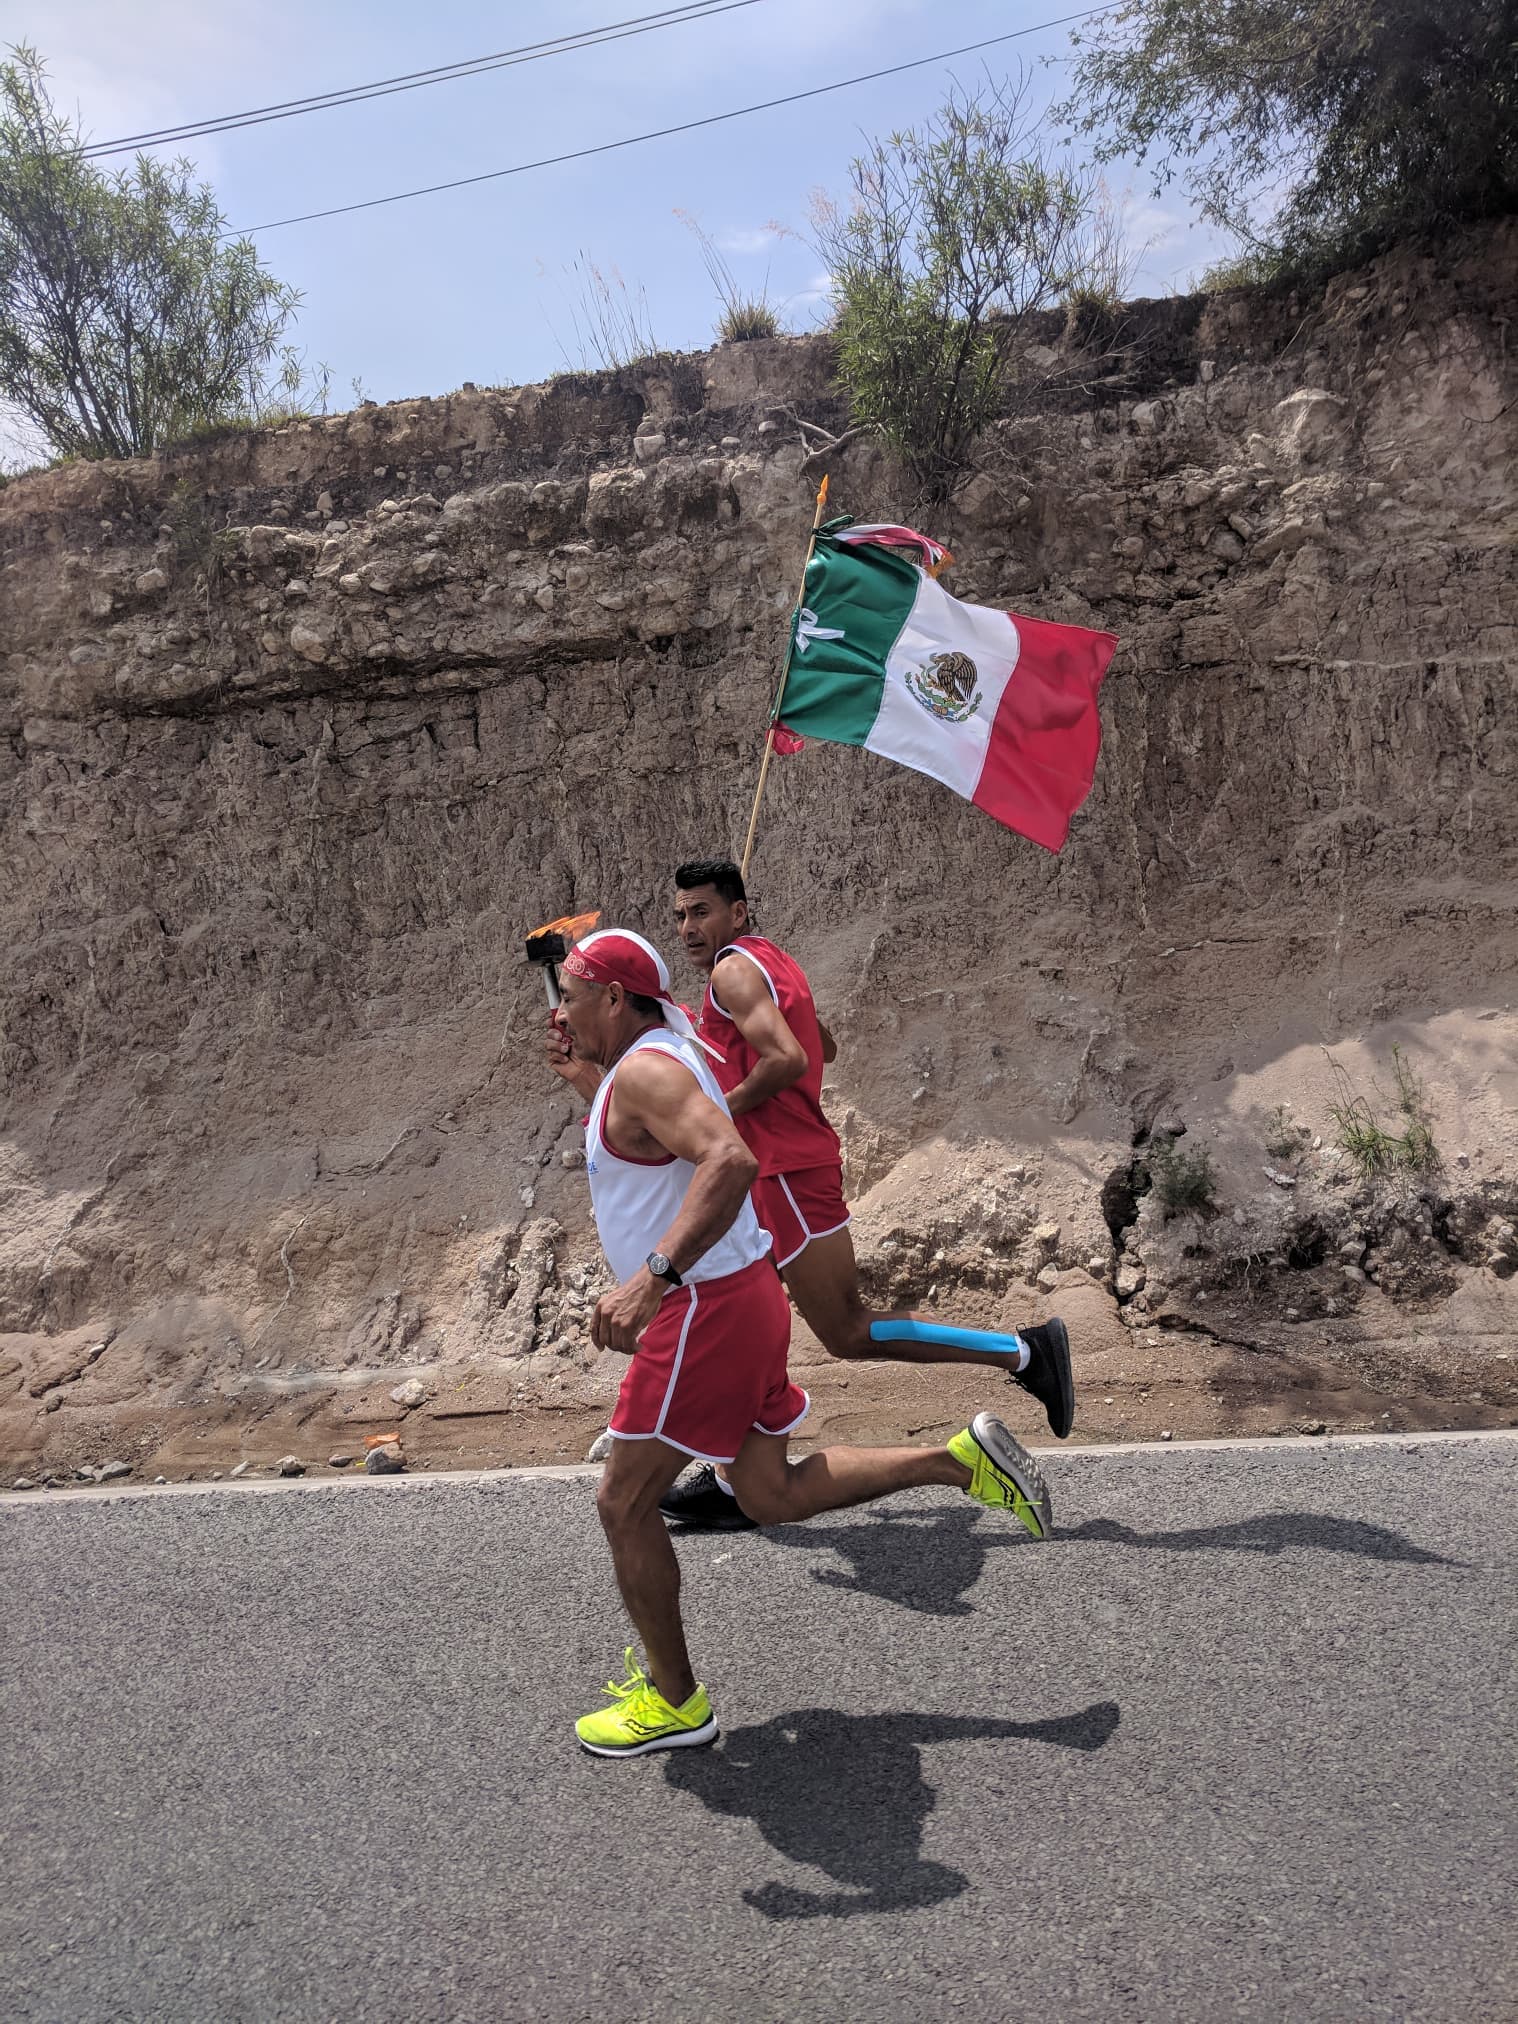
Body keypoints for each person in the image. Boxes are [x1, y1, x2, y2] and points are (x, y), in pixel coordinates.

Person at [552, 927, 1054, 1758]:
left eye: (570, 996)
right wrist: (587, 1071)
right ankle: (959, 1461)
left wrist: (652, 1277)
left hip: (703, 1307)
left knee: (625, 1503)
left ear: (611, 997)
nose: (559, 1013)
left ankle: (676, 1704)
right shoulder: (663, 1045)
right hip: (745, 1295)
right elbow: (661, 1124)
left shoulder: (647, 1068)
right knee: (766, 1495)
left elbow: (728, 1159)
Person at [648, 858, 1073, 1531]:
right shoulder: (768, 963)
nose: (687, 926)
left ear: (738, 912)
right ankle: (735, 1476)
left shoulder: (732, 971)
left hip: (782, 1174)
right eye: (678, 914)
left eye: (701, 911)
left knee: (841, 1328)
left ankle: (1024, 1354)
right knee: (742, 1315)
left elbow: (788, 1057)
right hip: (790, 1169)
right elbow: (826, 1045)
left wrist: (719, 1112)